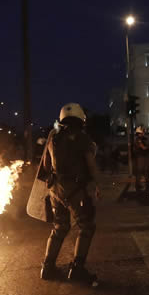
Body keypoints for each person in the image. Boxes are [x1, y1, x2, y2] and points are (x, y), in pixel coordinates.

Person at [39, 103, 100, 284]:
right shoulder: (82, 138)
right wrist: (98, 185)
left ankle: (47, 268)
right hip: (74, 190)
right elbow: (91, 164)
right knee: (87, 226)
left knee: (59, 228)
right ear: (81, 119)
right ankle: (77, 270)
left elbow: (45, 167)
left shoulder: (53, 137)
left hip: (55, 190)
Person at [133, 126, 149, 193]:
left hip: (143, 156)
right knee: (140, 171)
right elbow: (143, 147)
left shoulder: (141, 138)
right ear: (139, 133)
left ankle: (147, 184)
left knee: (145, 171)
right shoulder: (138, 139)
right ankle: (138, 185)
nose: (144, 133)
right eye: (142, 132)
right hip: (140, 157)